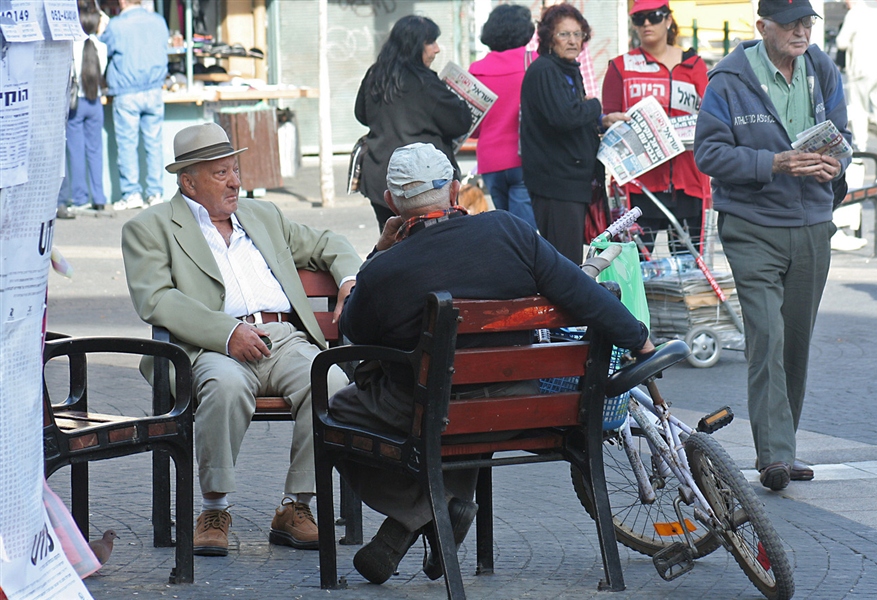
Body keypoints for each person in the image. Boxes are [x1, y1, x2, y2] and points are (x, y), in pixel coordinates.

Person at [329, 142, 654, 584]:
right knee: (461, 407)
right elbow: (582, 293)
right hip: (519, 406)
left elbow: (353, 330)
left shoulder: (387, 271)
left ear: (391, 204)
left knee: (337, 412)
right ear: (456, 191)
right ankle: (435, 512)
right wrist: (639, 338)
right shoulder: (509, 231)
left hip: (433, 413)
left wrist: (377, 254)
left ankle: (422, 511)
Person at [121, 123, 362, 556]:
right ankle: (215, 509)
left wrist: (347, 279)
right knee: (224, 386)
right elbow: (155, 298)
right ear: (187, 181)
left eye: (235, 169)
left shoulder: (262, 215)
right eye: (221, 174)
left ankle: (296, 506)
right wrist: (227, 332)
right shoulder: (150, 227)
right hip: (211, 346)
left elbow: (328, 243)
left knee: (329, 383)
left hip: (282, 338)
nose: (236, 182)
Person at [694, 0, 850, 491]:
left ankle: (785, 444)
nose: (801, 31)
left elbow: (841, 136)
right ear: (762, 27)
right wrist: (774, 163)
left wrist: (835, 165)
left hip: (811, 224)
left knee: (796, 341)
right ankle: (774, 456)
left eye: (806, 22)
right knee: (768, 336)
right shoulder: (728, 79)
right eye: (790, 24)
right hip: (752, 225)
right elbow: (708, 153)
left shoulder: (820, 67)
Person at [602, 0, 710, 254]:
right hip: (638, 187)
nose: (647, 24)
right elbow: (608, 120)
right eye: (639, 19)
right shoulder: (620, 67)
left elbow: (710, 116)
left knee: (689, 269)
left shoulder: (693, 65)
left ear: (668, 20)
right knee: (633, 267)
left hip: (687, 182)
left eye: (654, 16)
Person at [520, 3, 622, 264]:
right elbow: (564, 117)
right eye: (564, 34)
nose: (573, 41)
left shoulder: (567, 69)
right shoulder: (545, 70)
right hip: (557, 183)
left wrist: (601, 120)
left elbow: (571, 116)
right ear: (548, 38)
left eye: (578, 34)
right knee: (564, 262)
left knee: (575, 260)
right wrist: (595, 105)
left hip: (573, 181)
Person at [354, 15, 471, 231]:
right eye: (431, 42)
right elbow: (460, 122)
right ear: (416, 45)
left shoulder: (376, 74)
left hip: (382, 176)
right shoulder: (424, 82)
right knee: (430, 244)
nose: (436, 49)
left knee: (391, 239)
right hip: (424, 184)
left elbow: (361, 114)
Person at [468, 3, 538, 230]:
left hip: (490, 161)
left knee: (506, 230)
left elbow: (474, 127)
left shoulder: (476, 70)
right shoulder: (535, 63)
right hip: (526, 158)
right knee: (525, 233)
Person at [100, 0, 169, 211]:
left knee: (127, 145)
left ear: (122, 1)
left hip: (126, 92)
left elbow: (102, 50)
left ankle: (132, 194)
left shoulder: (116, 25)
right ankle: (156, 193)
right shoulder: (159, 21)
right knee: (154, 143)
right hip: (155, 90)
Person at [59, 2, 109, 218]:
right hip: (95, 103)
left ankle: (80, 198)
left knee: (76, 152)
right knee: (95, 152)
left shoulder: (72, 45)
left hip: (76, 105)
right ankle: (99, 198)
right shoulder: (102, 47)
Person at [835, 0, 877, 158]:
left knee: (859, 107)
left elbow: (841, 42)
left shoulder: (856, 13)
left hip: (861, 67)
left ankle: (861, 143)